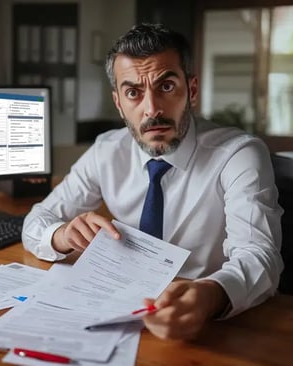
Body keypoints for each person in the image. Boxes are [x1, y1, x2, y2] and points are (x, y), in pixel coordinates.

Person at [22, 23, 283, 341]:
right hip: (114, 312)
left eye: (167, 86)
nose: (152, 109)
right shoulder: (106, 150)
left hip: (209, 323)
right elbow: (36, 221)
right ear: (118, 102)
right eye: (133, 92)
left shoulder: (238, 154)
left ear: (192, 90)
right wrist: (61, 235)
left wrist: (210, 295)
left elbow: (260, 257)